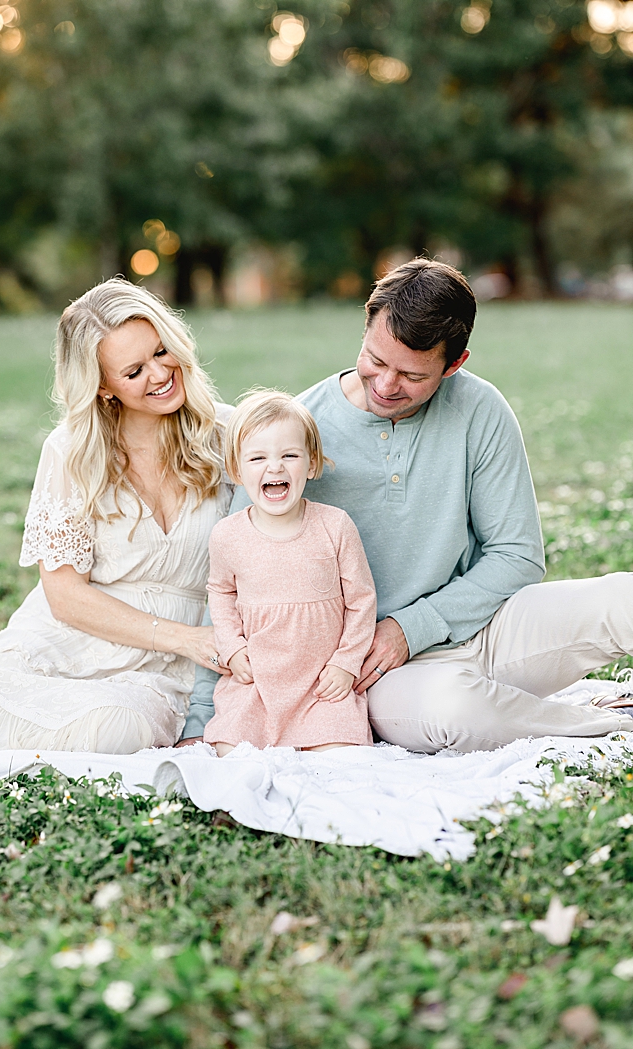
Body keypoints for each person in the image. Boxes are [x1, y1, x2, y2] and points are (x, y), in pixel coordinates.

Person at [191, 258, 633, 753]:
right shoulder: (296, 437)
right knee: (458, 711)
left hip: (486, 627)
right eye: (375, 360)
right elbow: (231, 581)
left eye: (411, 375)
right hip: (379, 672)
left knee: (624, 598)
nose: (384, 385)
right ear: (365, 327)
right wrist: (200, 719)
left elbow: (518, 554)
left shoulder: (480, 409)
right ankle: (602, 721)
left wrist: (414, 626)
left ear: (454, 364)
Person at [0, 277, 232, 756]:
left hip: (174, 664)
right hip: (75, 636)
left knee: (119, 728)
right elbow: (66, 596)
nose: (159, 374)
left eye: (160, 351)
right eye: (134, 371)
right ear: (105, 388)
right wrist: (186, 638)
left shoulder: (227, 436)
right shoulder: (72, 451)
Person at [203, 391, 376, 754]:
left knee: (343, 757)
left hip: (320, 683)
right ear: (236, 470)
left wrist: (346, 663)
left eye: (289, 455)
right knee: (232, 751)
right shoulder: (228, 536)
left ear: (311, 465)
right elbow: (220, 594)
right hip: (258, 683)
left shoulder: (335, 526)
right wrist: (232, 649)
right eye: (258, 458)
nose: (275, 467)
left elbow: (361, 601)